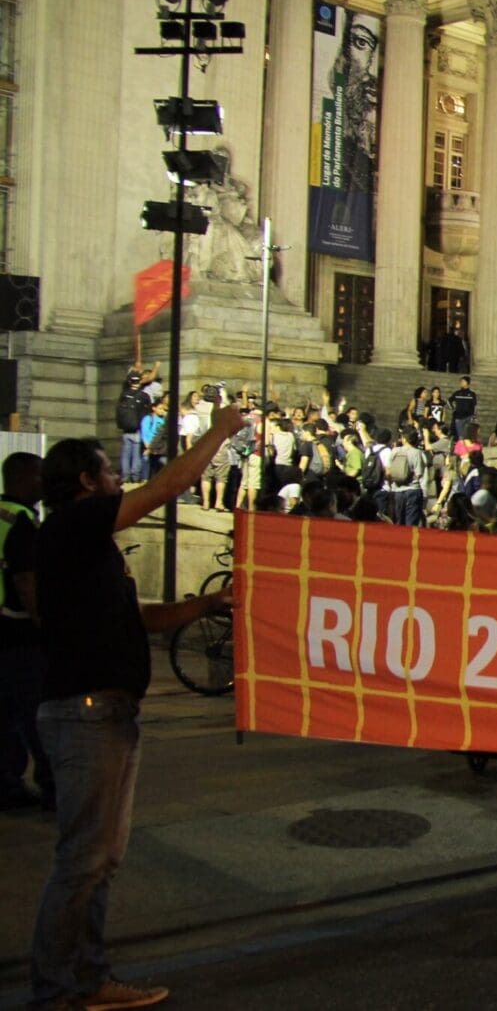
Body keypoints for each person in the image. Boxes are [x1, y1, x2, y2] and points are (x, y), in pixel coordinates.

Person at [29, 402, 244, 1010]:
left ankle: (89, 978)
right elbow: (167, 487)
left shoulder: (90, 551)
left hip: (110, 713)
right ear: (85, 485)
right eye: (108, 473)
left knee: (100, 860)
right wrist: (218, 432)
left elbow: (139, 619)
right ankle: (57, 989)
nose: (118, 481)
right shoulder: (72, 527)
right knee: (82, 861)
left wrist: (204, 607)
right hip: (85, 713)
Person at [1, 452, 52, 811]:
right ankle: (39, 784)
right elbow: (26, 582)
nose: (44, 482)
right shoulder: (21, 522)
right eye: (40, 475)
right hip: (17, 632)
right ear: (22, 478)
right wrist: (44, 625)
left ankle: (6, 783)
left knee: (6, 711)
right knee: (31, 712)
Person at [383, 428, 430, 527]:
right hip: (413, 490)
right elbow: (419, 474)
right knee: (411, 523)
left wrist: (394, 481)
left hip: (397, 490)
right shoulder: (417, 453)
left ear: (404, 439)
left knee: (398, 522)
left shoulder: (395, 451)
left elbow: (387, 472)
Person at [448, 376, 478, 444]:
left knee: (467, 436)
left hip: (468, 416)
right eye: (461, 381)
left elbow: (474, 406)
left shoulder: (472, 394)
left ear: (467, 383)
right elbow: (449, 401)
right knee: (460, 436)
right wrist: (453, 408)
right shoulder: (457, 393)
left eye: (463, 381)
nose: (461, 383)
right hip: (459, 417)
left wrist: (474, 416)